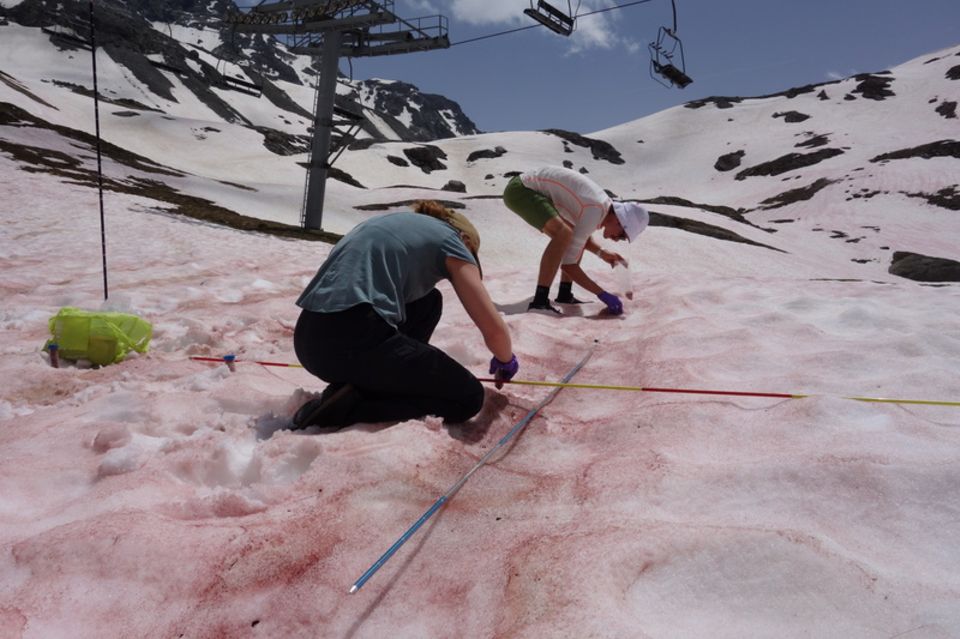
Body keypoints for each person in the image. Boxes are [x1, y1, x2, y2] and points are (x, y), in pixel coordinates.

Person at [291, 201, 519, 430]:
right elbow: (494, 330)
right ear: (465, 240)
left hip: (309, 339)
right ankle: (348, 408)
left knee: (429, 301)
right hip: (355, 337)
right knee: (467, 397)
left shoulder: (394, 225)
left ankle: (378, 384)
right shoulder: (452, 241)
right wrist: (505, 359)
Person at [502, 166, 649, 315]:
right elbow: (569, 266)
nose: (617, 240)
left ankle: (564, 294)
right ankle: (539, 302)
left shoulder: (600, 208)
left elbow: (580, 239)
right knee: (563, 234)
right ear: (619, 221)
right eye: (622, 235)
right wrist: (602, 294)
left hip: (525, 189)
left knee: (570, 236)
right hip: (521, 190)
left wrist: (602, 253)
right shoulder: (595, 210)